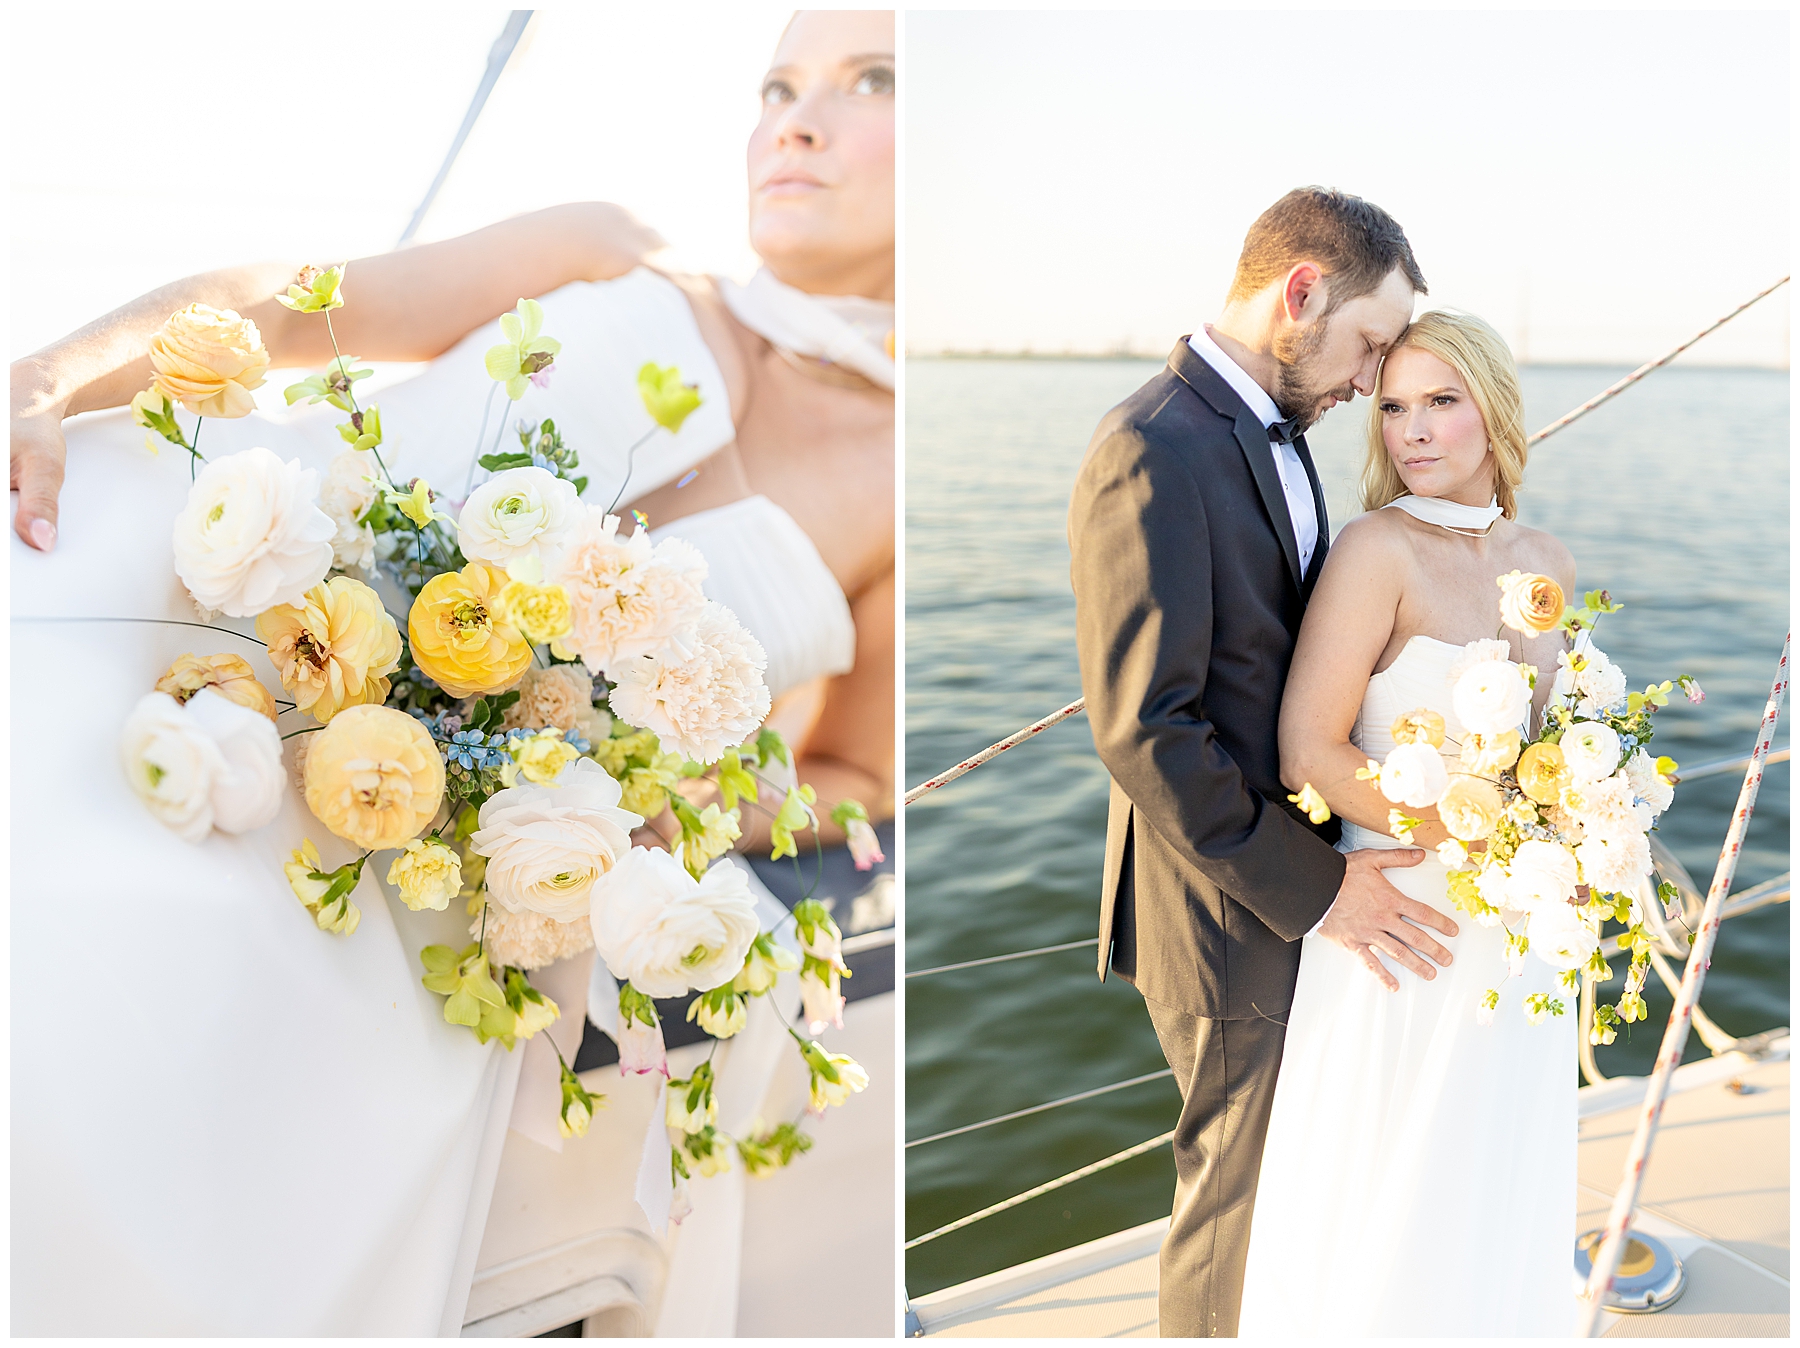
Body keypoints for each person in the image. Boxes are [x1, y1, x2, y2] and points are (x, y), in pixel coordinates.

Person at [9, 10, 891, 1335]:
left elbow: (852, 774)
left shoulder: (900, 488)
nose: (796, 121)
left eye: (871, 81)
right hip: (167, 589)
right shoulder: (616, 255)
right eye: (778, 84)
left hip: (402, 862)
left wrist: (654, 814)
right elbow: (300, 307)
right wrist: (49, 377)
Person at [1067, 187, 1457, 1338]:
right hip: (1227, 909)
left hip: (1288, 887)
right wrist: (1324, 889)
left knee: (1298, 1180)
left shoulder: (1265, 434)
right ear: (1301, 294)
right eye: (1371, 342)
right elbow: (1148, 730)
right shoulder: (1150, 447)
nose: (1372, 378)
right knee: (1234, 1200)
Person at [1237, 311, 1576, 1336]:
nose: (1412, 430)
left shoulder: (1541, 557)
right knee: (1384, 1178)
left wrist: (1571, 835)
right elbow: (1310, 751)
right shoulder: (1375, 550)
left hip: (1511, 933)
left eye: (1440, 401)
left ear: (1494, 411)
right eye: (1392, 407)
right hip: (1402, 920)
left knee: (1491, 1175)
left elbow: (1552, 743)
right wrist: (1474, 831)